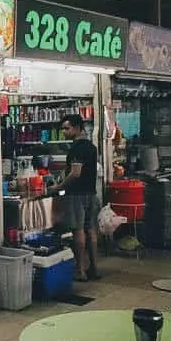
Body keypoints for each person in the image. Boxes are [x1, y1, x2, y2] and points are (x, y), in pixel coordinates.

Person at [59, 114, 101, 282]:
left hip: (76, 194)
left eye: (66, 128)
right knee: (90, 230)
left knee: (78, 230)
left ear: (77, 128)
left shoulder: (77, 148)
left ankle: (80, 270)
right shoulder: (91, 147)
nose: (64, 132)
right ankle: (94, 268)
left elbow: (75, 173)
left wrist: (59, 186)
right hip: (91, 193)